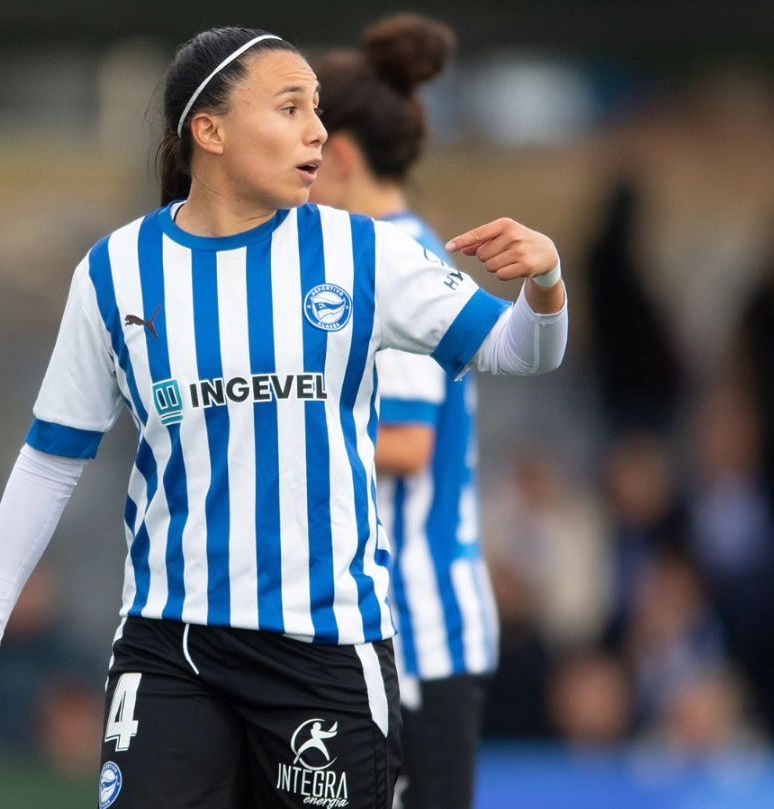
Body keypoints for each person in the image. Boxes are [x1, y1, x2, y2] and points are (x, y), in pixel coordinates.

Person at [0, 25, 568, 809]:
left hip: (323, 650)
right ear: (207, 131)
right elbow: (51, 456)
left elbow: (521, 350)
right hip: (171, 643)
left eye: (318, 109)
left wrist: (543, 280)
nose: (316, 131)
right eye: (289, 107)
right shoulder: (117, 272)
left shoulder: (359, 252)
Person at [307, 15, 493, 809]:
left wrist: (275, 428)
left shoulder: (398, 260)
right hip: (382, 628)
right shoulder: (372, 257)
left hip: (416, 628)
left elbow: (409, 441)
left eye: (307, 155)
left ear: (340, 158)